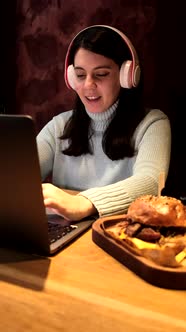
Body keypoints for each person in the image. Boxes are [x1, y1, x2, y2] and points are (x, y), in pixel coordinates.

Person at [36, 25, 171, 221]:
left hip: (118, 240)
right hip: (63, 240)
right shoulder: (58, 126)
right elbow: (18, 174)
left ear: (127, 76)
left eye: (101, 74)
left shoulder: (153, 124)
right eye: (80, 75)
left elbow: (150, 183)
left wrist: (84, 202)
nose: (88, 85)